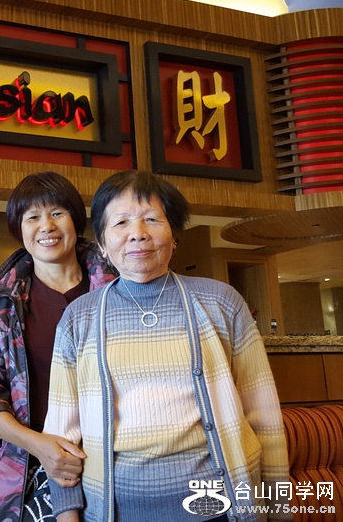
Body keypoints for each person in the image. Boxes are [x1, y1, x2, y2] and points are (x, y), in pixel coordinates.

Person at [44, 170, 290, 522]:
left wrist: (279, 509)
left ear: (174, 235)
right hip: (117, 510)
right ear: (102, 243)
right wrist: (67, 515)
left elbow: (265, 417)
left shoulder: (221, 302)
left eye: (152, 219)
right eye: (121, 222)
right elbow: (61, 436)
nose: (137, 233)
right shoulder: (78, 317)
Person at [0, 171, 117, 521]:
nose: (46, 226)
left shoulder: (118, 287)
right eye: (32, 217)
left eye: (57, 213)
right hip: (27, 469)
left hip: (117, 463)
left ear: (76, 220)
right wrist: (38, 445)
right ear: (19, 229)